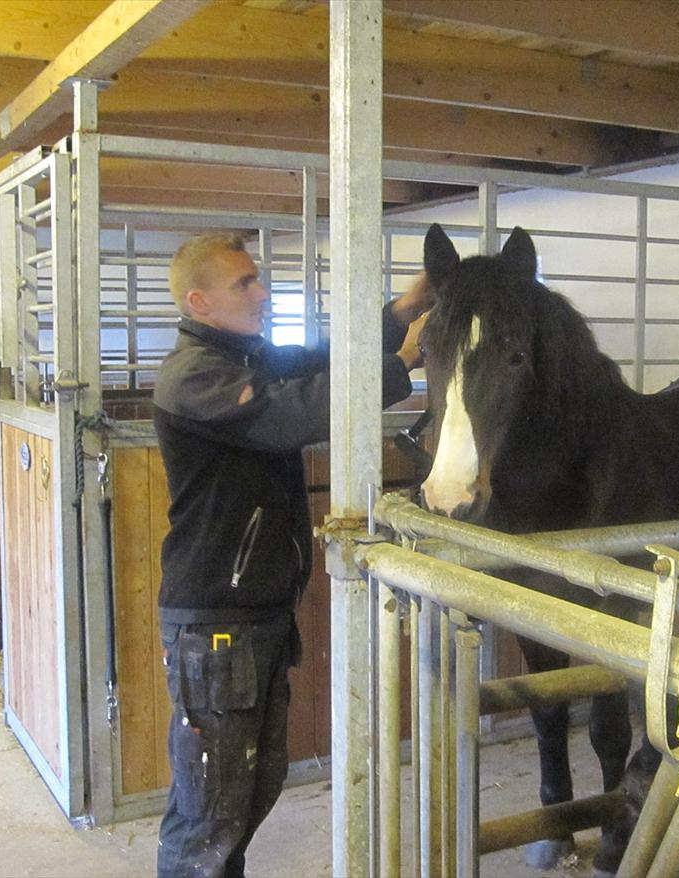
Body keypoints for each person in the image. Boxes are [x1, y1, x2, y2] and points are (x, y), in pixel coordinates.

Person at [152, 233, 430, 878]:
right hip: (218, 619)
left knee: (247, 790)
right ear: (200, 301)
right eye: (243, 284)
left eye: (258, 279)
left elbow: (318, 362)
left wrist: (398, 314)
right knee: (212, 814)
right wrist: (404, 364)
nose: (262, 291)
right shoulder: (195, 377)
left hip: (252, 612)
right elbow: (296, 412)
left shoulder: (240, 358)